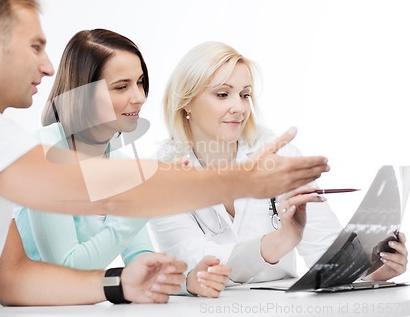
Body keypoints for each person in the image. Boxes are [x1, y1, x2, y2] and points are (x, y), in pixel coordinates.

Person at [0, 0, 330, 317]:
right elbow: (91, 189)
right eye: (35, 46)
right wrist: (240, 179)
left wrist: (119, 283)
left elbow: (14, 280)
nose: (48, 65)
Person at [149, 41, 408, 289]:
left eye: (245, 94)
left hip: (282, 308)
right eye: (222, 94)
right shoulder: (161, 174)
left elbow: (326, 254)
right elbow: (193, 265)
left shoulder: (282, 157)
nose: (239, 107)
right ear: (186, 102)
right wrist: (280, 241)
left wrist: (376, 270)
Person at [15, 28, 231, 297]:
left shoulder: (121, 162)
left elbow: (140, 258)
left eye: (140, 82)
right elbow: (67, 270)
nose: (139, 97)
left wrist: (187, 280)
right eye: (121, 86)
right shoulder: (44, 154)